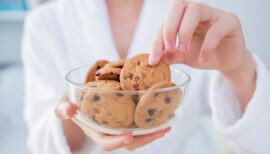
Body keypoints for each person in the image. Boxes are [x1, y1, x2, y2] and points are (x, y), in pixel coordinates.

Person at [21, 0, 270, 153]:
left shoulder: (192, 22)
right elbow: (40, 146)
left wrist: (238, 68)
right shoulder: (43, 24)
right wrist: (78, 107)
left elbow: (262, 143)